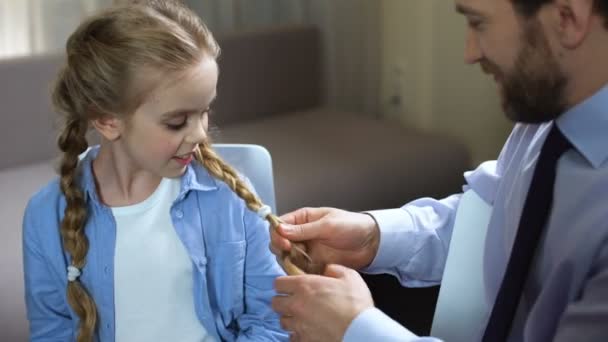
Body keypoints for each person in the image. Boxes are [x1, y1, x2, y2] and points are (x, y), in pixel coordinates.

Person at [270, 0, 608, 341]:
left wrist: (357, 331)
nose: (470, 53)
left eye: (478, 24)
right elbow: (496, 220)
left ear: (567, 18)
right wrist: (374, 237)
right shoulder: (547, 114)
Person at [21, 1, 288, 341]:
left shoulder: (228, 197)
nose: (200, 134)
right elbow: (52, 331)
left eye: (205, 111)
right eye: (177, 122)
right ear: (106, 120)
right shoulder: (46, 217)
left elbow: (272, 320)